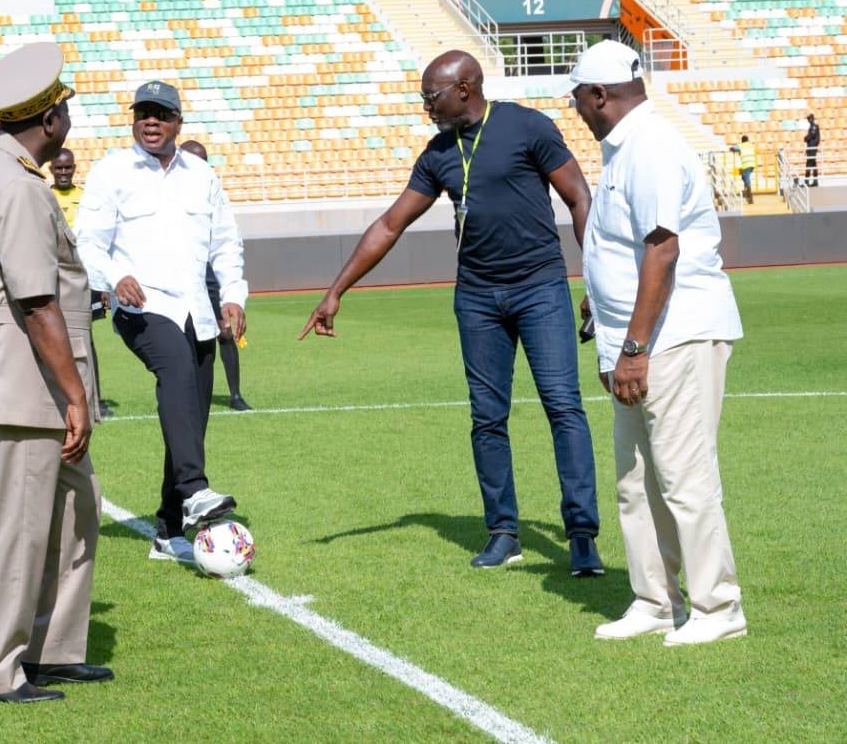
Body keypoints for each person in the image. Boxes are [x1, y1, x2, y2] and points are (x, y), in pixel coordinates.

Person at [299, 50, 602, 575]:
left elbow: (579, 197)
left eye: (431, 97)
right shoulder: (438, 153)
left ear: (464, 87)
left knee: (563, 408)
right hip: (478, 299)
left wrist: (597, 279)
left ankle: (581, 536)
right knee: (487, 418)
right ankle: (503, 532)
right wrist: (336, 290)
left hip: (540, 289)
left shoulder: (529, 126)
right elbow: (391, 224)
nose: (426, 108)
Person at [0, 42, 111, 703]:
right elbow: (36, 301)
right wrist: (74, 395)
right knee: (18, 528)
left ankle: (51, 649)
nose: (67, 115)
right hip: (22, 383)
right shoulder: (15, 186)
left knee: (74, 509)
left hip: (12, 376)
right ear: (47, 120)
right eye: (62, 106)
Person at [565, 40, 746, 646]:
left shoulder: (652, 148)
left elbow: (662, 248)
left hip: (674, 334)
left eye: (578, 99)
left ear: (599, 96)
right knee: (637, 477)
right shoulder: (625, 148)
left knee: (684, 476)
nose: (577, 110)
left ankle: (718, 609)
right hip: (637, 339)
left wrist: (636, 346)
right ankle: (655, 600)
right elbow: (625, 243)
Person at [75, 80, 247, 564]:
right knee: (173, 368)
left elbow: (226, 244)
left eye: (161, 114)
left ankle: (169, 529)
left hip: (199, 311)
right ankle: (194, 489)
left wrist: (232, 296)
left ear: (178, 123)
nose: (151, 121)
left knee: (190, 416)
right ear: (133, 121)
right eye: (143, 113)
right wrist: (114, 277)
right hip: (142, 307)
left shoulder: (201, 176)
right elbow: (86, 243)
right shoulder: (111, 172)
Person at [180, 139, 252, 411]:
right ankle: (189, 392)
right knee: (188, 336)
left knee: (224, 331)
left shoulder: (212, 191)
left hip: (210, 273)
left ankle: (235, 395)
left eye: (203, 160)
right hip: (184, 275)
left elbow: (227, 237)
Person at [50, 147, 112, 418]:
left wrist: (102, 283)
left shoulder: (85, 198)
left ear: (75, 168)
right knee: (53, 336)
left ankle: (94, 397)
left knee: (86, 339)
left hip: (84, 278)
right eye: (59, 168)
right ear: (51, 169)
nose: (64, 172)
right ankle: (56, 395)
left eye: (68, 168)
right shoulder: (44, 196)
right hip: (54, 279)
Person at [729, 135, 756, 204]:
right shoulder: (751, 145)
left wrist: (731, 149)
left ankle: (750, 195)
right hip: (752, 164)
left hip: (746, 164)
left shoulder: (741, 146)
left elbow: (732, 148)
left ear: (742, 140)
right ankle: (746, 191)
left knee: (746, 179)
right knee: (744, 177)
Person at [804, 113, 820, 187]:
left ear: (813, 119)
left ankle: (806, 182)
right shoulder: (812, 127)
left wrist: (806, 138)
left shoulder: (814, 127)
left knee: (808, 164)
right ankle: (815, 181)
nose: (809, 120)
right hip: (811, 148)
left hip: (812, 148)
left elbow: (811, 136)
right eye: (808, 119)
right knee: (813, 164)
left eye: (810, 119)